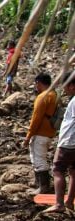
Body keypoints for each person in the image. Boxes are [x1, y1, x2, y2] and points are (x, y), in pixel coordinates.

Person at [45, 72, 75, 213]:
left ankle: (59, 204)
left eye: (65, 86)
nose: (64, 89)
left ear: (72, 86)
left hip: (69, 142)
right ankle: (69, 202)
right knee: (73, 172)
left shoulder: (74, 101)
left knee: (58, 171)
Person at [23, 73, 58, 194]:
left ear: (38, 83)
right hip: (50, 131)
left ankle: (43, 187)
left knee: (38, 158)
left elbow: (36, 118)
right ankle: (39, 184)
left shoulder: (43, 96)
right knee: (40, 157)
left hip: (40, 132)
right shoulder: (54, 94)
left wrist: (28, 136)